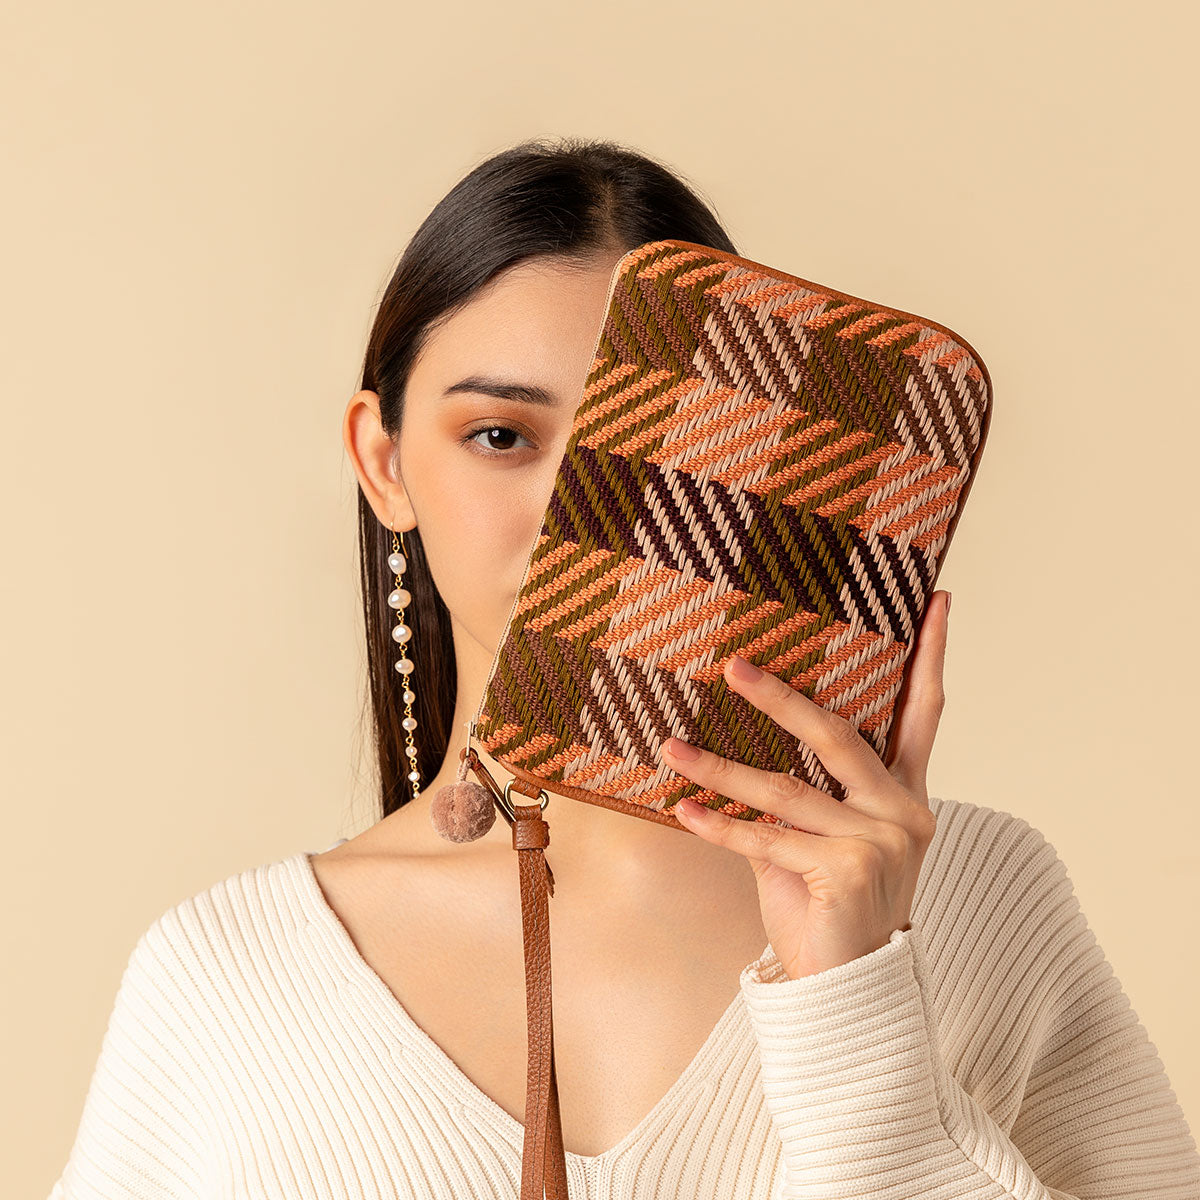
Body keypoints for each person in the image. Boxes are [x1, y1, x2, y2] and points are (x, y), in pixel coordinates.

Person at [48, 136, 1200, 1199]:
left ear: (753, 463)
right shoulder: (224, 980)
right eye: (502, 436)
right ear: (384, 461)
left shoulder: (976, 900)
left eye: (646, 441)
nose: (574, 510)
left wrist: (856, 1006)